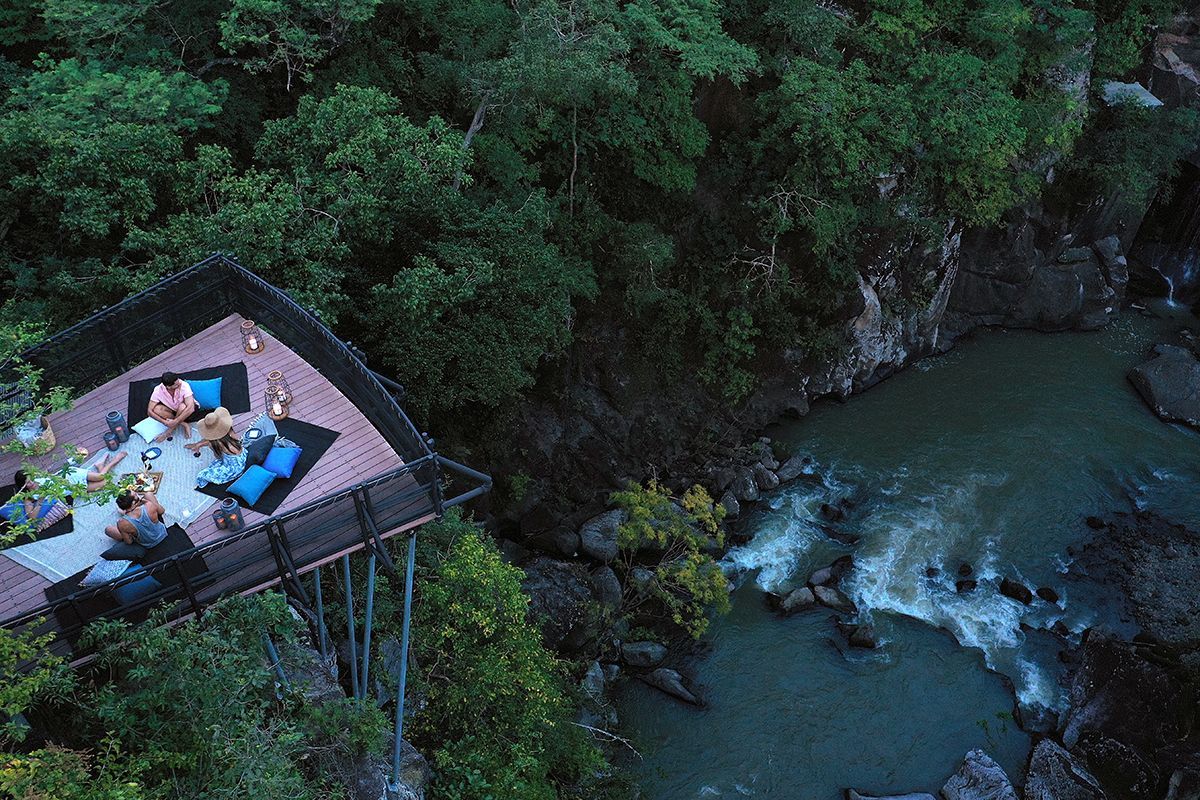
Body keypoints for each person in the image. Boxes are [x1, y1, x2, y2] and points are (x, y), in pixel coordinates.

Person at [187, 407, 247, 486]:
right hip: (242, 457)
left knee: (202, 475)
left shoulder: (217, 444)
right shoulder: (229, 430)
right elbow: (209, 440)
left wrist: (199, 445)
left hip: (235, 468)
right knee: (214, 462)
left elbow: (217, 455)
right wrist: (199, 444)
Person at [148, 371, 196, 442]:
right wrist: (165, 422)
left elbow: (191, 408)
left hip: (187, 412)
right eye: (176, 384)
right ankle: (184, 424)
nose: (179, 383)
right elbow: (149, 411)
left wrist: (174, 423)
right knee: (156, 409)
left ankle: (170, 430)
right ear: (168, 387)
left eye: (178, 380)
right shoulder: (158, 390)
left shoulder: (184, 385)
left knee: (182, 406)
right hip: (173, 411)